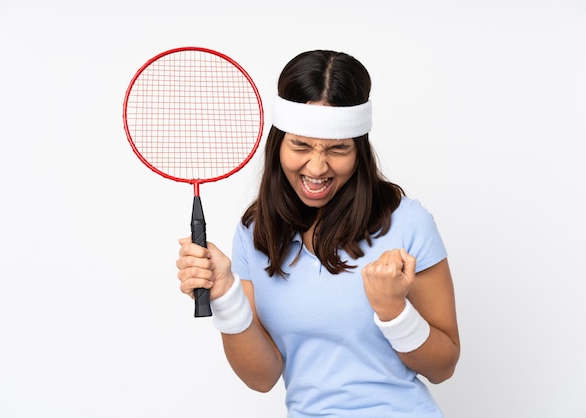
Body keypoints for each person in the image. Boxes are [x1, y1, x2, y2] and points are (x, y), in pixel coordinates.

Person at [176, 50, 460, 417]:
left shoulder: (406, 222)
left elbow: (443, 367)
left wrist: (393, 311)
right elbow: (263, 378)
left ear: (359, 151)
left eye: (338, 149)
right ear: (279, 143)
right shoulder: (255, 233)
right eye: (301, 145)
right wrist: (225, 294)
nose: (317, 167)